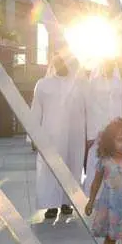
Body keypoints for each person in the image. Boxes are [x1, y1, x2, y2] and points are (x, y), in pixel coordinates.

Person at [30, 53, 86, 219]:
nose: (62, 64)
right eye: (59, 61)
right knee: (50, 168)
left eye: (65, 61)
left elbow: (86, 110)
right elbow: (36, 110)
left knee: (71, 166)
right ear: (53, 63)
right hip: (50, 134)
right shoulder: (43, 84)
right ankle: (51, 205)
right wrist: (33, 136)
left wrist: (89, 135)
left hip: (74, 135)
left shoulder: (79, 85)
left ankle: (66, 203)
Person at [83, 59, 122, 196]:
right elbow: (89, 108)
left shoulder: (120, 83)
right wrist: (91, 135)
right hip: (98, 131)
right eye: (106, 63)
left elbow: (121, 105)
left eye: (112, 64)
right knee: (96, 162)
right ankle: (94, 195)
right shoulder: (93, 83)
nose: (109, 66)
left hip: (116, 130)